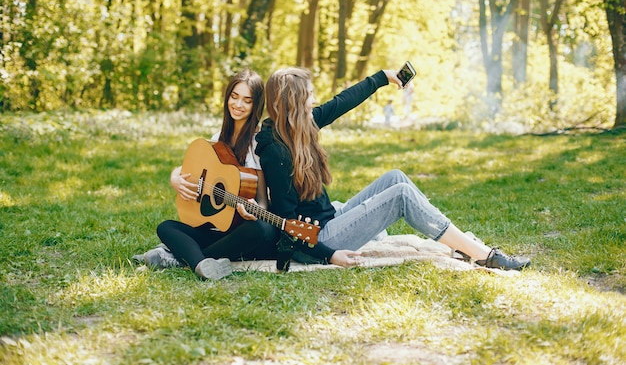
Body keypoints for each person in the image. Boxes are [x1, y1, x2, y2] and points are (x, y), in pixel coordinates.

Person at [254, 67, 531, 272]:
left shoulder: (301, 125)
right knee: (399, 195)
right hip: (318, 239)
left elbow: (343, 101)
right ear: (292, 102)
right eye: (308, 96)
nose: (314, 100)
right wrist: (330, 256)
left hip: (331, 218)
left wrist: (383, 77)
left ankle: (456, 240)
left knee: (395, 177)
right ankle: (483, 254)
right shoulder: (275, 150)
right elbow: (286, 221)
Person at [150, 69, 278, 279]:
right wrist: (175, 178)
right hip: (216, 229)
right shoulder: (218, 138)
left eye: (247, 100)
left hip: (244, 230)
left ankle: (185, 259)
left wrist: (255, 210)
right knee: (166, 227)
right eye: (234, 97)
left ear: (256, 104)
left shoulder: (259, 142)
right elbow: (191, 168)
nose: (238, 105)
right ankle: (202, 263)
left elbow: (264, 202)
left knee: (263, 230)